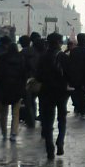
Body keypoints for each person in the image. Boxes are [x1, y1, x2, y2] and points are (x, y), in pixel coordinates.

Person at [36, 31, 71, 160]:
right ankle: (60, 141)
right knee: (62, 118)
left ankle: (49, 147)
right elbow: (69, 74)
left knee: (48, 120)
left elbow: (38, 75)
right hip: (61, 92)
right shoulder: (63, 57)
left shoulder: (43, 57)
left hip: (46, 92)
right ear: (58, 43)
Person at [0, 36, 26, 141]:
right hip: (17, 89)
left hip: (4, 88)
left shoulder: (2, 58)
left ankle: (4, 132)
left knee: (4, 112)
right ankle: (13, 133)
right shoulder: (21, 59)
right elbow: (23, 75)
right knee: (15, 113)